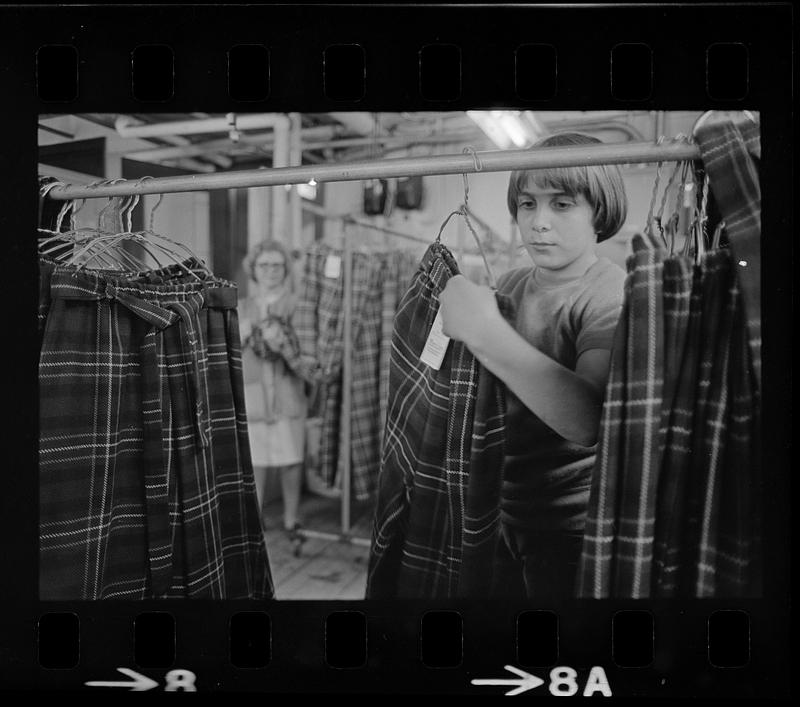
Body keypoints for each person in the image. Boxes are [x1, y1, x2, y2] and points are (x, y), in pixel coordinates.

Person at [438, 132, 628, 600]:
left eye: (562, 205)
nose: (539, 223)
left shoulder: (609, 290)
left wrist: (486, 331)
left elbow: (588, 420)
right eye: (527, 204)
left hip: (571, 525)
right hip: (503, 508)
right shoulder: (513, 282)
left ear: (599, 213)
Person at [240, 240, 307, 554]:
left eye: (276, 265)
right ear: (253, 269)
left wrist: (283, 342)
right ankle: (256, 518)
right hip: (254, 393)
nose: (270, 271)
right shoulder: (243, 307)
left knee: (290, 456)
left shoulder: (297, 304)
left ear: (285, 269)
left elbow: (305, 351)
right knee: (257, 458)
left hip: (286, 390)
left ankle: (291, 518)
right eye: (264, 265)